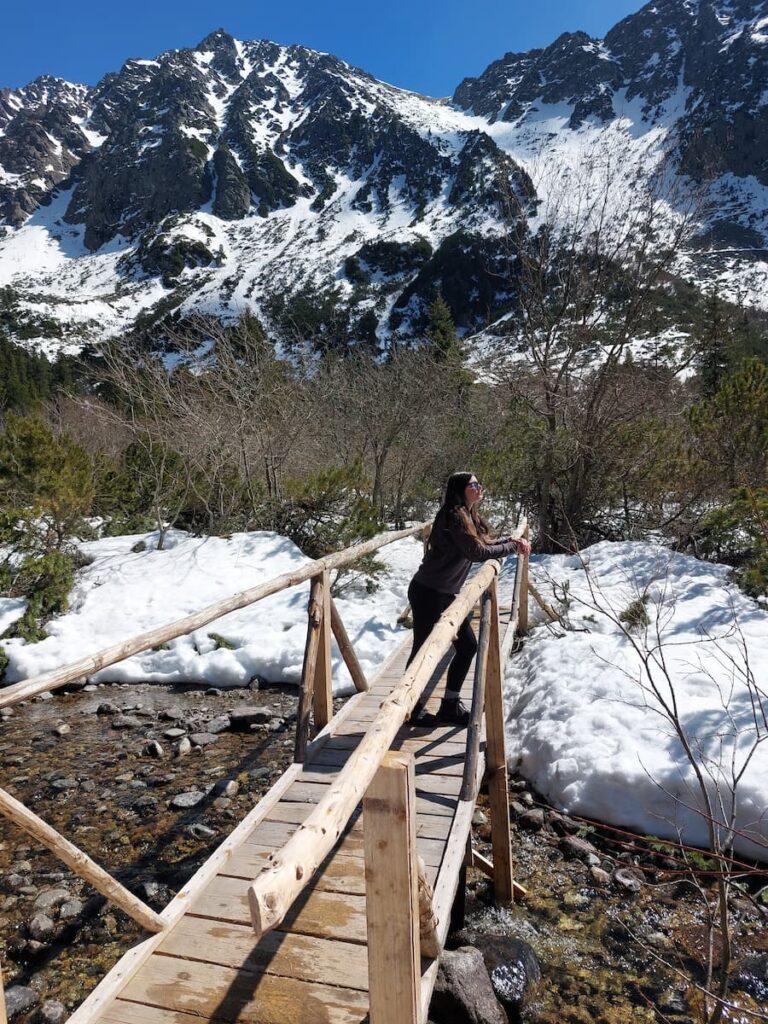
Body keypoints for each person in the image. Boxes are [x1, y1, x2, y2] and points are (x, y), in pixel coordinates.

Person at [406, 472, 530, 726]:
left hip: (446, 593)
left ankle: (450, 704)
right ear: (461, 490)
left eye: (479, 484)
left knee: (467, 646)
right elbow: (477, 552)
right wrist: (512, 547)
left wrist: (510, 541)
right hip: (428, 591)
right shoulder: (453, 516)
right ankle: (410, 707)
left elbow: (483, 541)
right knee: (423, 650)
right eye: (473, 485)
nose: (479, 487)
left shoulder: (468, 514)